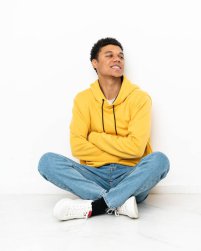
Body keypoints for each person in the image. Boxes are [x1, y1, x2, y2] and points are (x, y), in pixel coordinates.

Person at [38, 37, 170, 221]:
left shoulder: (140, 98)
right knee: (47, 162)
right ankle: (120, 202)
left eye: (121, 56)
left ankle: (98, 205)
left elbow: (136, 148)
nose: (117, 59)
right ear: (95, 63)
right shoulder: (83, 99)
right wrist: (120, 150)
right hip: (94, 175)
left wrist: (95, 138)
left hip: (131, 175)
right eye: (109, 55)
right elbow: (77, 146)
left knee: (160, 161)